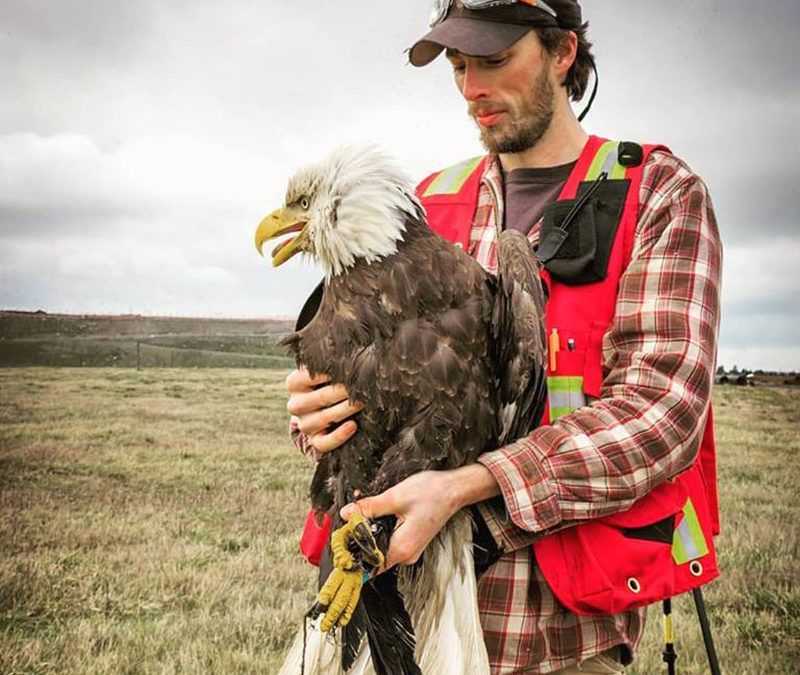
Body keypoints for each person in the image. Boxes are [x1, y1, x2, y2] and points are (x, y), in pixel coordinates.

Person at [286, 1, 722, 673]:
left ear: (562, 53)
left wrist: (468, 486)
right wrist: (318, 411)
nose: (470, 89)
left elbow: (663, 412)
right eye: (459, 67)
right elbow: (355, 389)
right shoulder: (424, 205)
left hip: (556, 636)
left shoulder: (657, 194)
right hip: (390, 615)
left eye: (493, 61)